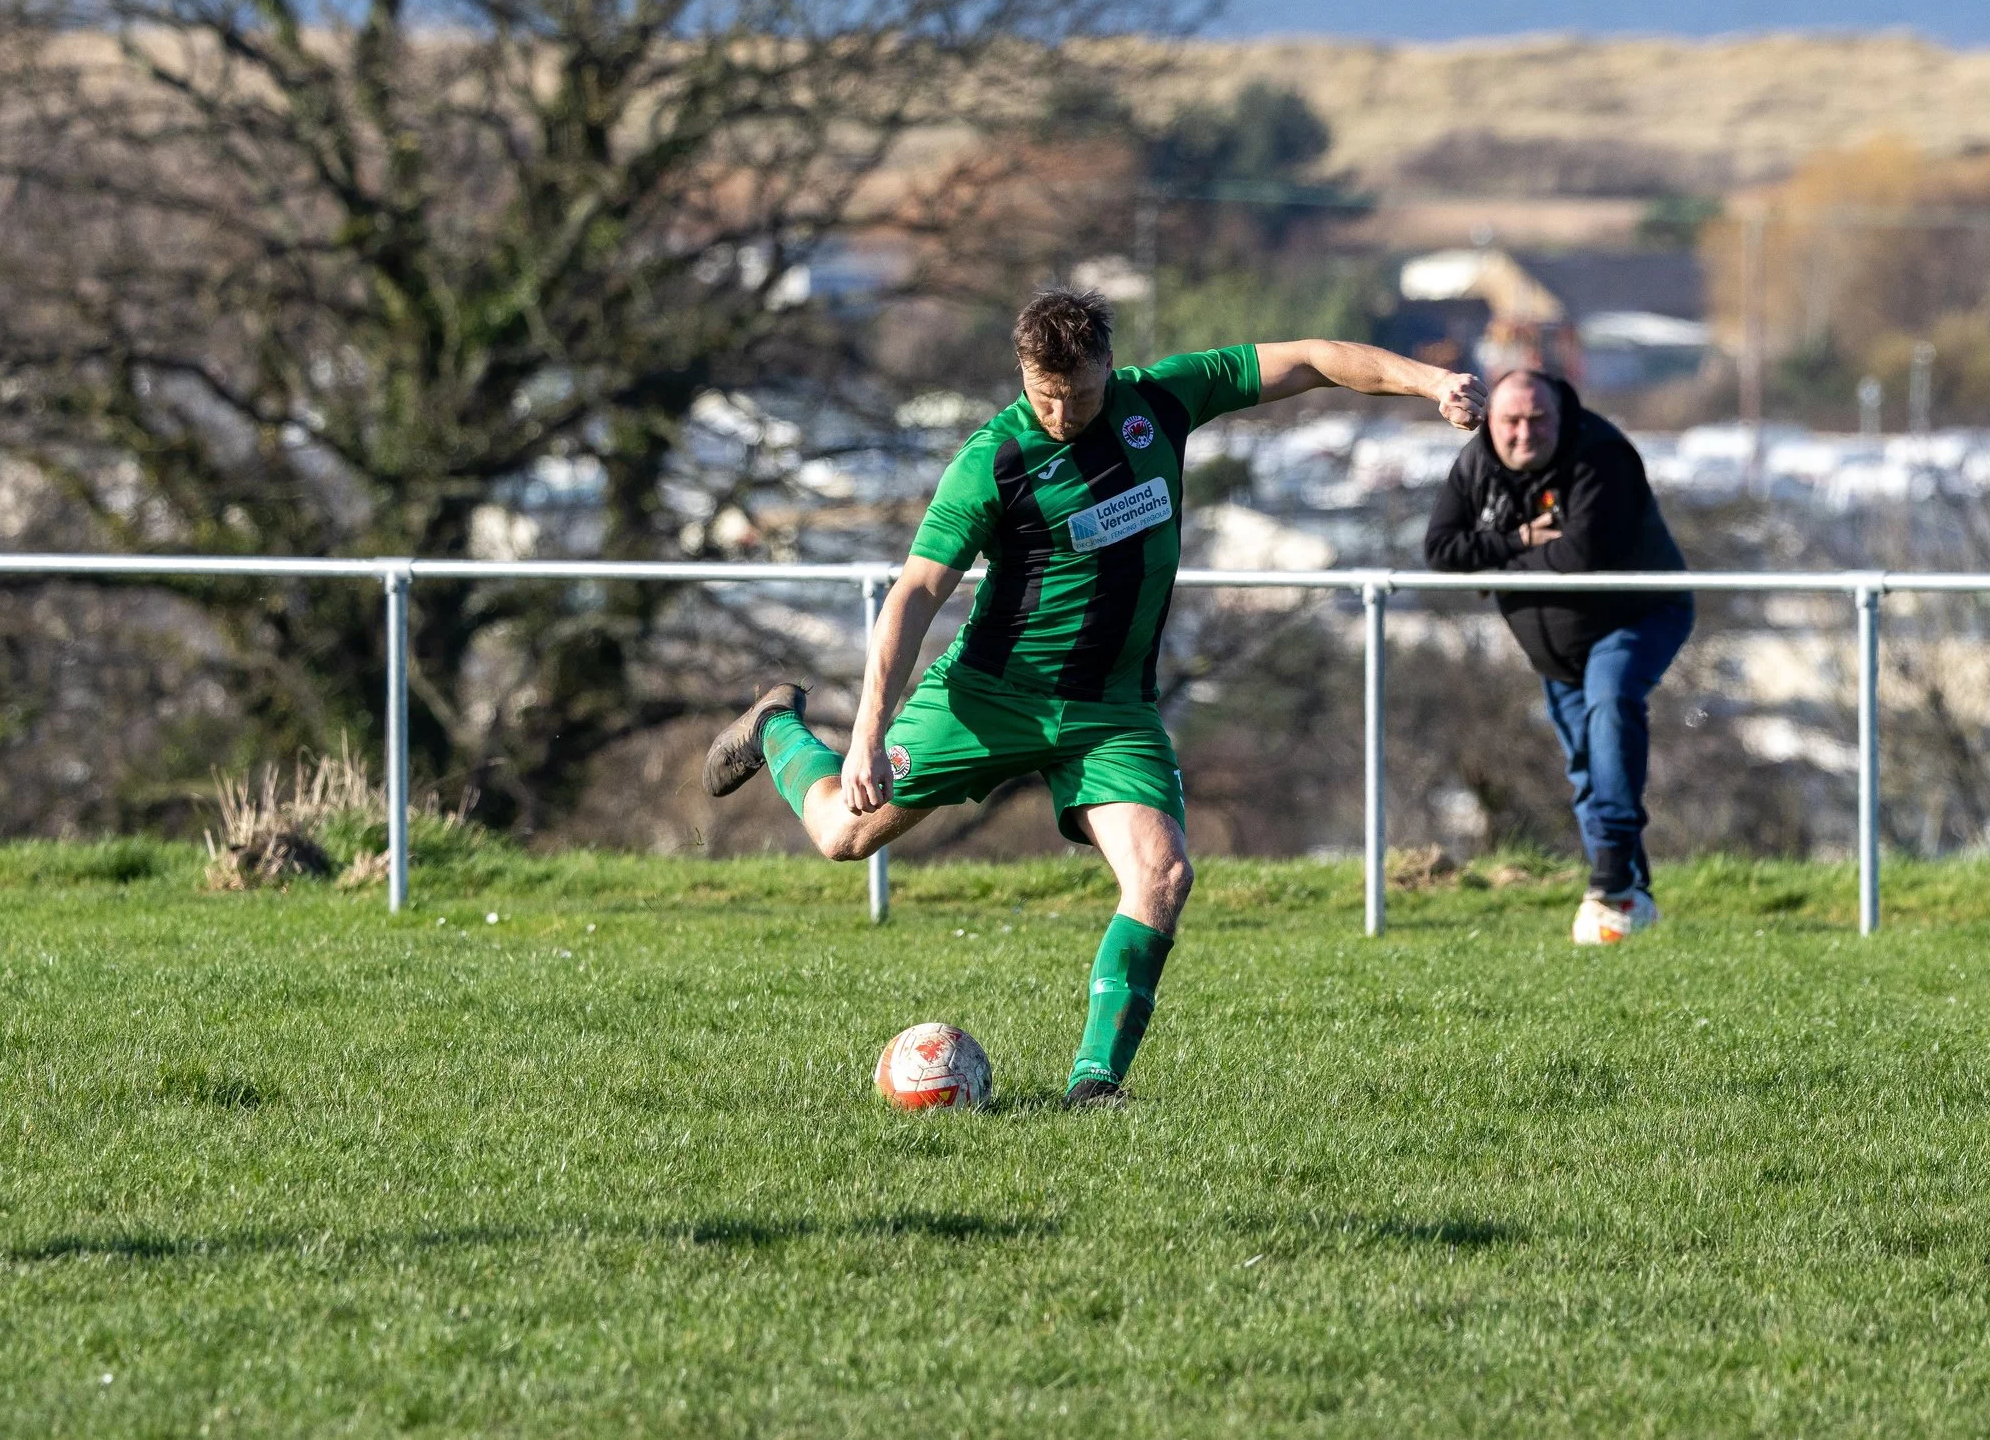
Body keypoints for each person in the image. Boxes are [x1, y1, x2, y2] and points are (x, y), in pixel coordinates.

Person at [702, 289, 1486, 1104]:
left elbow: (1314, 358)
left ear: (1109, 365)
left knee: (1164, 872)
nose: (1060, 409)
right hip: (988, 696)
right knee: (840, 835)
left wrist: (1430, 383)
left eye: (1076, 391)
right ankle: (778, 723)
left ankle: (1095, 1085)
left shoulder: (1164, 400)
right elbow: (914, 594)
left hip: (1112, 712)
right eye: (1043, 391)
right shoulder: (992, 461)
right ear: (1023, 372)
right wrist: (865, 735)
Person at [1422, 368, 1693, 945]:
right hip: (1553, 647)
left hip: (1635, 618)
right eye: (1511, 421)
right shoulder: (1477, 464)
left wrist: (1491, 566)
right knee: (1585, 770)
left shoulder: (1602, 454)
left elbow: (1580, 556)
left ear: (1560, 416)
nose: (1524, 433)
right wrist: (1521, 541)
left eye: (1537, 419)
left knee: (1611, 702)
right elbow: (1442, 551)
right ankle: (1628, 898)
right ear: (1490, 419)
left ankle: (1612, 874)